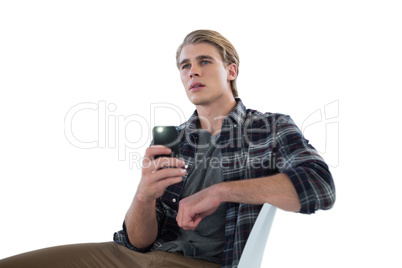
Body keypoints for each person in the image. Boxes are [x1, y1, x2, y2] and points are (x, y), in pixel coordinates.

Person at [0, 30, 335, 268]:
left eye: (205, 61)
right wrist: (143, 196)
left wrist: (220, 191)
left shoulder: (270, 128)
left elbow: (320, 186)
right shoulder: (172, 140)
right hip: (138, 257)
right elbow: (138, 241)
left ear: (231, 71)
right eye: (185, 65)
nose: (193, 71)